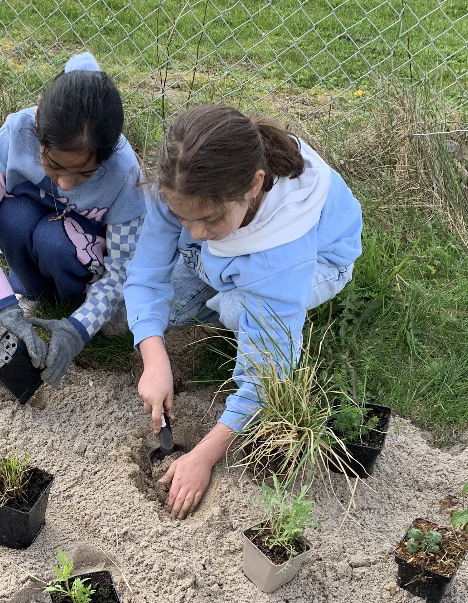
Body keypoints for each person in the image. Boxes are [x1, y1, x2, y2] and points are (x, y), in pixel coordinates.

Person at [124, 105, 363, 519]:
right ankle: (229, 285)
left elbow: (267, 375)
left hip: (320, 264)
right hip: (224, 255)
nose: (194, 232)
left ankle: (242, 303)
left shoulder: (281, 254)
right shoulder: (185, 186)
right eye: (183, 218)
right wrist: (154, 357)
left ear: (253, 186)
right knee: (148, 317)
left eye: (209, 220)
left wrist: (203, 456)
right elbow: (145, 275)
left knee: (238, 310)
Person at [0, 52, 145, 387]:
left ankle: (82, 304)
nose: (66, 184)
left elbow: (124, 264)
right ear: (37, 128)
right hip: (39, 235)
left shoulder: (124, 172)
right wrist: (3, 306)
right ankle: (32, 295)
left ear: (108, 153)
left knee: (55, 240)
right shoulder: (16, 134)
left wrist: (80, 326)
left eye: (84, 173)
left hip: (82, 255)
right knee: (12, 215)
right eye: (54, 166)